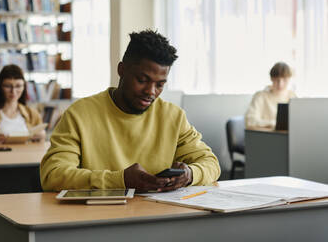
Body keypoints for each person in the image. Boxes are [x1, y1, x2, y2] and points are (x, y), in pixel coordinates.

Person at [40, 29, 221, 192]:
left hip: (157, 217)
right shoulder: (80, 114)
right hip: (97, 220)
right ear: (121, 70)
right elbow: (53, 175)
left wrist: (190, 174)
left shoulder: (173, 116)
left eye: (159, 85)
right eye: (142, 80)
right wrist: (120, 180)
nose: (151, 92)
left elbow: (211, 164)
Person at [0, 64, 46, 144]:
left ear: (24, 87)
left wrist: (42, 137)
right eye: (8, 86)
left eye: (18, 86)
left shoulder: (33, 114)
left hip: (27, 155)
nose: (13, 91)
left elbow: (40, 147)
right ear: (0, 87)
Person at [245, 61, 297, 129]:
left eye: (284, 80)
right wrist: (274, 124)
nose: (280, 84)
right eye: (277, 80)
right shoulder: (260, 96)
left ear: (289, 79)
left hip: (287, 136)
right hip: (266, 136)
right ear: (271, 78)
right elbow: (250, 121)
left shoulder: (292, 96)